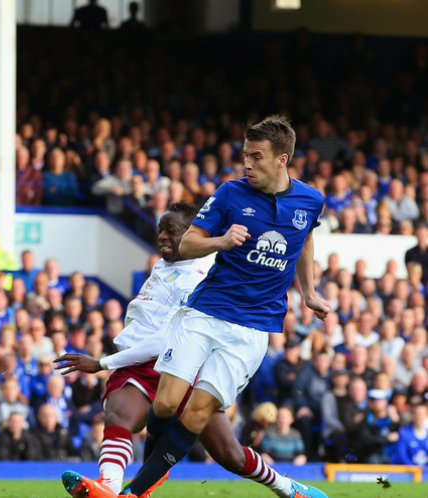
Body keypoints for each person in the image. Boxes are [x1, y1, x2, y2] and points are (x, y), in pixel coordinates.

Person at [66, 116, 330, 498]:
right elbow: (189, 245)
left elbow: (305, 238)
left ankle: (131, 492)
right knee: (166, 403)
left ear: (282, 159)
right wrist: (221, 241)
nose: (248, 164)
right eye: (245, 156)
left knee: (205, 425)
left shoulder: (310, 200)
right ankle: (132, 485)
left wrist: (309, 291)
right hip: (205, 313)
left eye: (257, 156)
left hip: (252, 329)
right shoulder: (229, 194)